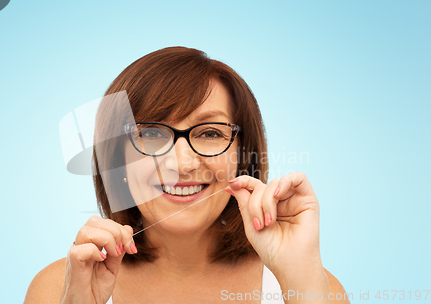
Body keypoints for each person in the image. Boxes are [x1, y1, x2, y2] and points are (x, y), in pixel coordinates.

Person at [24, 47, 350, 304]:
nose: (182, 163)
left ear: (242, 157)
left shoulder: (313, 288)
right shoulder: (60, 289)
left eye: (209, 133)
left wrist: (302, 286)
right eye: (151, 134)